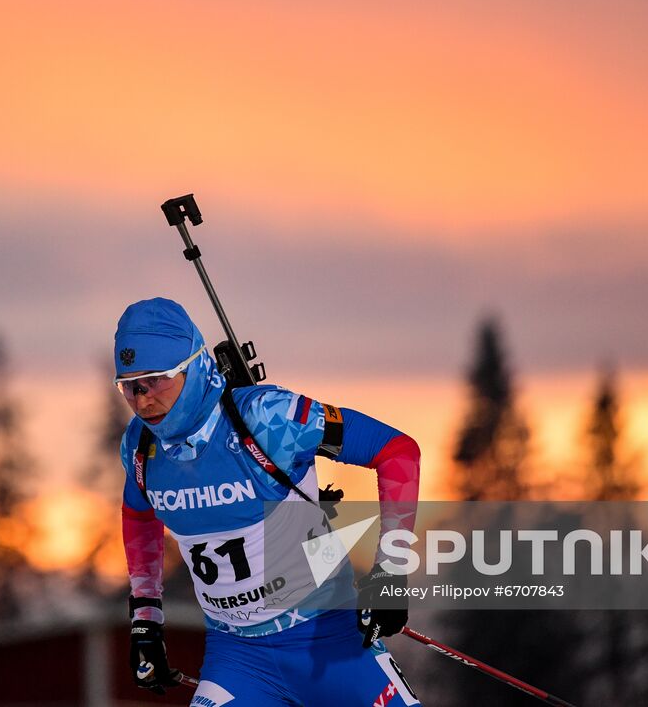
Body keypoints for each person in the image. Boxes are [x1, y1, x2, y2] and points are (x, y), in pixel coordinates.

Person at [115, 297, 422, 706]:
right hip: (239, 660)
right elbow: (139, 515)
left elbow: (397, 451)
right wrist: (146, 620)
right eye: (129, 386)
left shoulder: (268, 418)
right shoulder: (140, 447)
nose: (142, 400)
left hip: (329, 644)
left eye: (155, 381)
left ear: (191, 367)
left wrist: (390, 571)